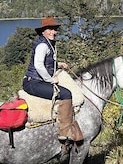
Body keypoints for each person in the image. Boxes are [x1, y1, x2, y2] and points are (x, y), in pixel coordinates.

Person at [22, 16, 80, 158]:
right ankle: (65, 133)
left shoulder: (48, 43)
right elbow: (39, 65)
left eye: (55, 29)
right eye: (50, 29)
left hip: (37, 80)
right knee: (66, 94)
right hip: (33, 83)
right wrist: (50, 80)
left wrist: (59, 64)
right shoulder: (43, 45)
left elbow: (47, 62)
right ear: (43, 31)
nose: (53, 32)